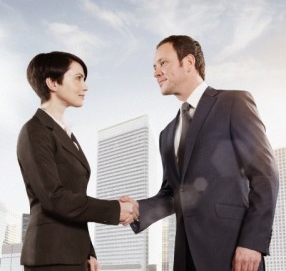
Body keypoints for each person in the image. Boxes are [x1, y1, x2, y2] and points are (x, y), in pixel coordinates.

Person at [123, 35, 279, 270]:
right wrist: (138, 209)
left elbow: (265, 175)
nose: (156, 72)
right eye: (154, 67)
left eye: (163, 63)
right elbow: (173, 194)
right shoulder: (167, 134)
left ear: (188, 62)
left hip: (233, 250)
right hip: (186, 255)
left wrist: (253, 242)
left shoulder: (233, 103)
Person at [17, 51, 138, 271]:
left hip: (75, 255)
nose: (85, 86)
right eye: (78, 78)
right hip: (51, 256)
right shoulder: (34, 130)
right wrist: (114, 210)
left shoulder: (68, 135)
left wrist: (89, 251)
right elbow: (54, 198)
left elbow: (76, 200)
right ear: (53, 83)